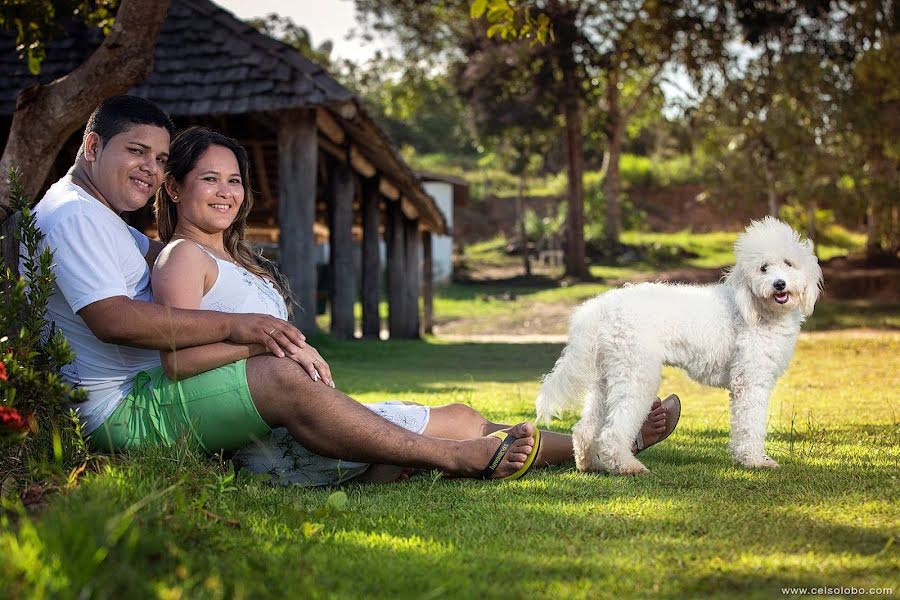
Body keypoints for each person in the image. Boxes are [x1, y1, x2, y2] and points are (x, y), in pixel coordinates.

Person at [29, 96, 676, 485]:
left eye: (157, 158)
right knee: (300, 386)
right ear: (90, 146)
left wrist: (264, 334)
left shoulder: (106, 220)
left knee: (450, 414)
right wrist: (251, 333)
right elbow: (116, 319)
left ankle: (600, 441)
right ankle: (457, 460)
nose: (147, 169)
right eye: (134, 153)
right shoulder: (76, 214)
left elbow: (148, 282)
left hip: (150, 396)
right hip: (125, 410)